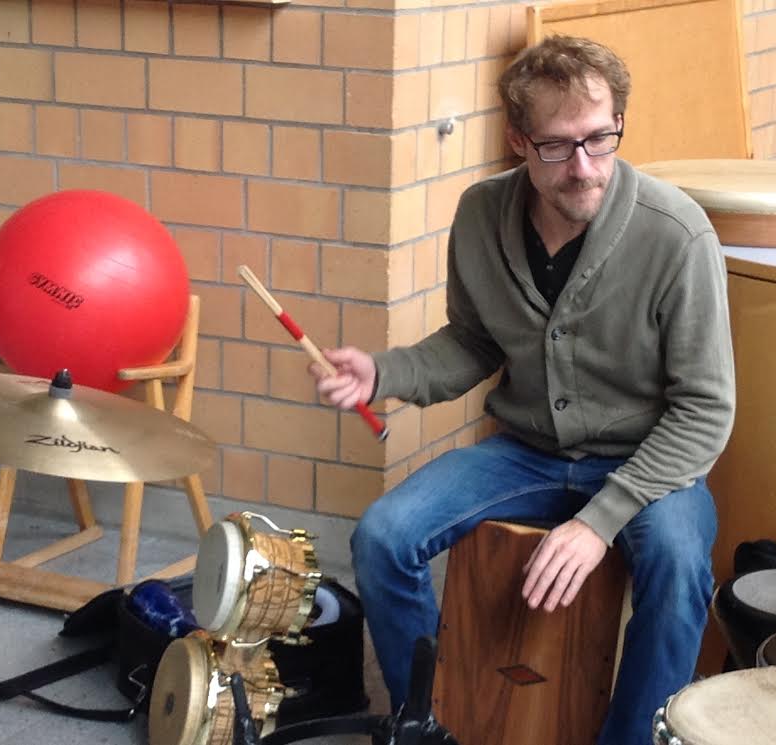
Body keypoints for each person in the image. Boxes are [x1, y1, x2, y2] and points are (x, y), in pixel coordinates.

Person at [311, 34, 735, 745]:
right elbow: (473, 342)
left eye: (599, 139)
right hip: (527, 453)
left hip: (649, 463)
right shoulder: (481, 213)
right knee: (383, 537)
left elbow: (705, 409)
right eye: (557, 146)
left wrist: (598, 521)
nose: (583, 166)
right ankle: (427, 724)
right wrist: (382, 374)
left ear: (618, 123)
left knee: (677, 564)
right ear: (517, 140)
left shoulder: (677, 234)